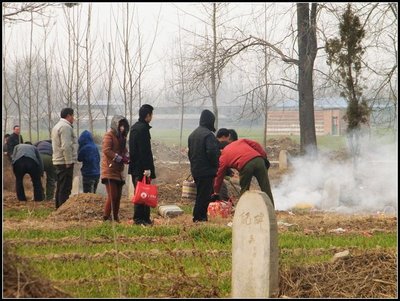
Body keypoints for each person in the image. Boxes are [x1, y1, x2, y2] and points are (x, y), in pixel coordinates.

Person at [212, 138, 274, 207]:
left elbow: (219, 175)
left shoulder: (223, 156)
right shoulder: (241, 141)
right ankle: (271, 209)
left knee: (244, 190)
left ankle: (243, 210)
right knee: (265, 187)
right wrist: (264, 157)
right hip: (259, 160)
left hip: (245, 165)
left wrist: (216, 192)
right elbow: (256, 145)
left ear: (221, 149)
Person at [188, 109, 220, 222]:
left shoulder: (192, 135)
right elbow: (212, 152)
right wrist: (215, 165)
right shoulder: (208, 135)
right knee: (204, 196)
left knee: (200, 194)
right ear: (210, 121)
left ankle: (200, 217)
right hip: (206, 171)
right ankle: (199, 218)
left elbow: (190, 153)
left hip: (196, 170)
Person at [128, 104, 156, 225]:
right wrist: (147, 168)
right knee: (143, 194)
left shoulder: (134, 127)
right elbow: (144, 151)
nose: (152, 117)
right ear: (147, 115)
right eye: (151, 115)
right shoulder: (143, 129)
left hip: (135, 167)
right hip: (142, 168)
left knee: (141, 192)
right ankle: (140, 219)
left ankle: (144, 219)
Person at [101, 115, 130, 223]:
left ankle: (115, 217)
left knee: (118, 196)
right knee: (112, 195)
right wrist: (118, 158)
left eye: (124, 126)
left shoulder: (122, 138)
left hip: (118, 171)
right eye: (120, 126)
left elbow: (124, 150)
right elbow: (106, 150)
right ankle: (106, 217)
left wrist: (127, 156)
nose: (122, 128)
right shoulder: (109, 135)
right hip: (109, 169)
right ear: (115, 125)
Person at [51, 108, 78, 209]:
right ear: (68, 116)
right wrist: (69, 161)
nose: (73, 118)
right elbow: (66, 145)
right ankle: (63, 209)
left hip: (58, 160)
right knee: (65, 187)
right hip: (64, 161)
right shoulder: (65, 127)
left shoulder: (57, 126)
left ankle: (58, 208)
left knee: (60, 186)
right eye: (72, 116)